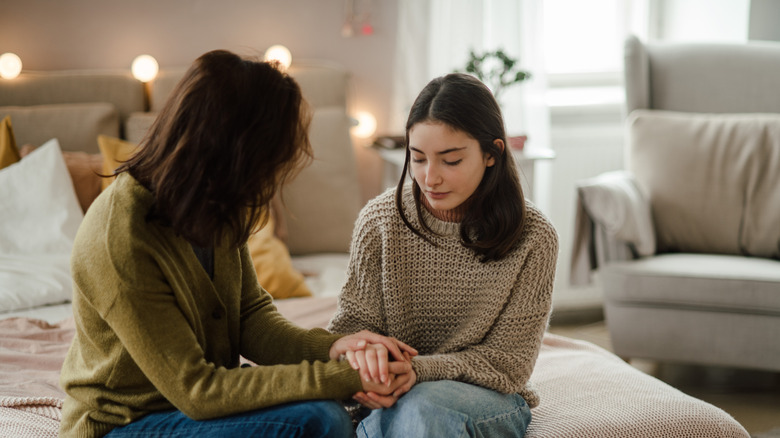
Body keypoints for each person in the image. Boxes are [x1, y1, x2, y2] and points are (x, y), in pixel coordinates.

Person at [58, 50, 416, 438]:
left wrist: (335, 348)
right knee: (320, 419)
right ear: (232, 153)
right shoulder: (121, 237)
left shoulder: (215, 205)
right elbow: (198, 391)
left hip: (194, 407)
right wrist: (341, 377)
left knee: (328, 411)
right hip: (125, 421)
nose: (272, 178)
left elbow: (251, 319)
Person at [328, 73, 559, 437]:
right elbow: (351, 329)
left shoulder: (534, 236)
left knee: (421, 408)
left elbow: (509, 365)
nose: (429, 177)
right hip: (393, 391)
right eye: (418, 158)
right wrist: (366, 358)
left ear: (491, 154)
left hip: (486, 396)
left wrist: (420, 371)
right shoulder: (380, 221)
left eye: (450, 161)